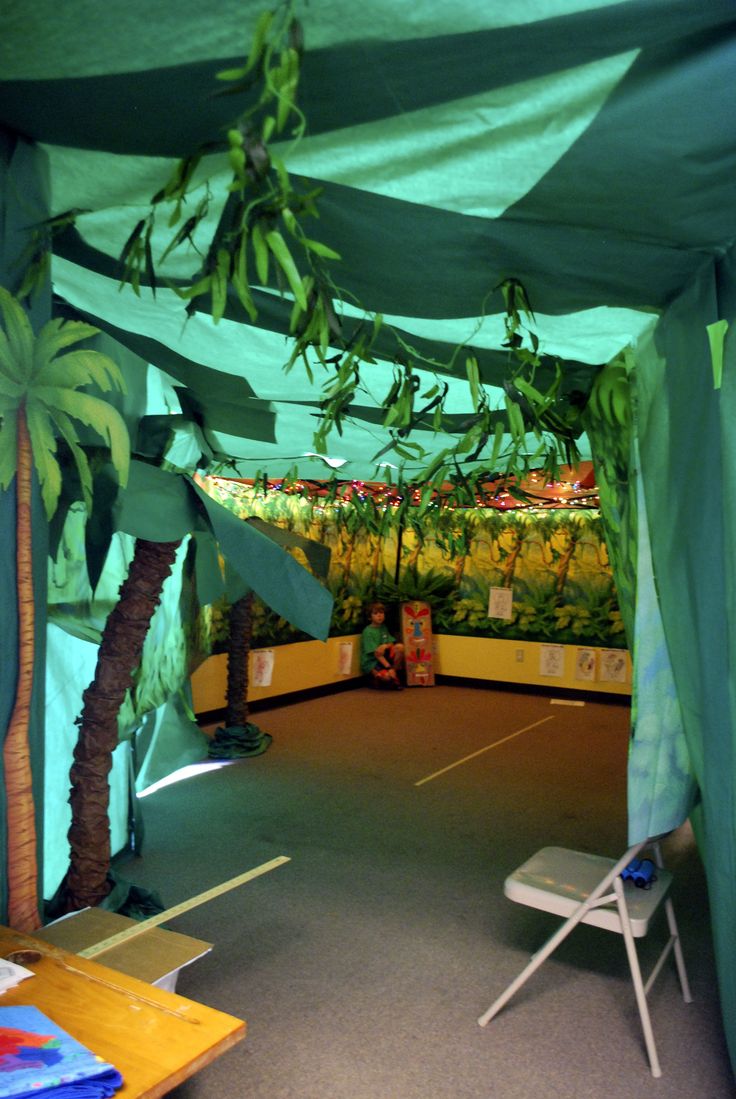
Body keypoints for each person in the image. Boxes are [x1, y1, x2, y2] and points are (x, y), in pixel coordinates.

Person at [360, 601, 405, 689]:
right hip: (372, 662)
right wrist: (388, 667)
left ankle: (393, 674)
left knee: (400, 647)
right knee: (386, 678)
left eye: (381, 613)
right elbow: (377, 654)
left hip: (384, 658)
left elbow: (391, 642)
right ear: (370, 617)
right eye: (375, 613)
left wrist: (385, 646)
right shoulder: (367, 632)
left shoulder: (383, 627)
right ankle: (379, 678)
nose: (379, 615)